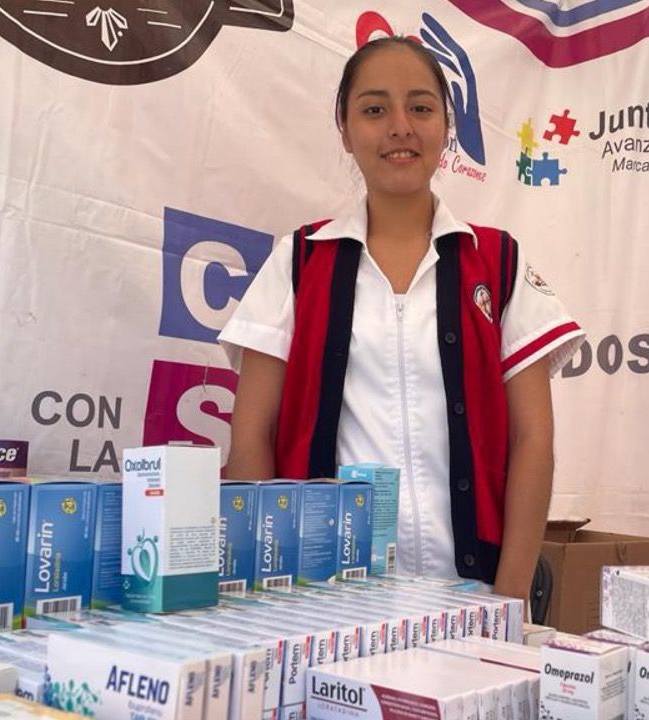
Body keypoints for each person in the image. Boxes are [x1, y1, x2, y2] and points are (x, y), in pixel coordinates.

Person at [218, 36, 583, 602]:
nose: (400, 127)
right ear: (344, 129)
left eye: (420, 107)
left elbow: (534, 440)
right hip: (323, 603)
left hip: (473, 596)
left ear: (447, 125)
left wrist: (509, 603)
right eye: (374, 109)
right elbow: (251, 439)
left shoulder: (497, 262)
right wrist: (263, 594)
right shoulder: (298, 261)